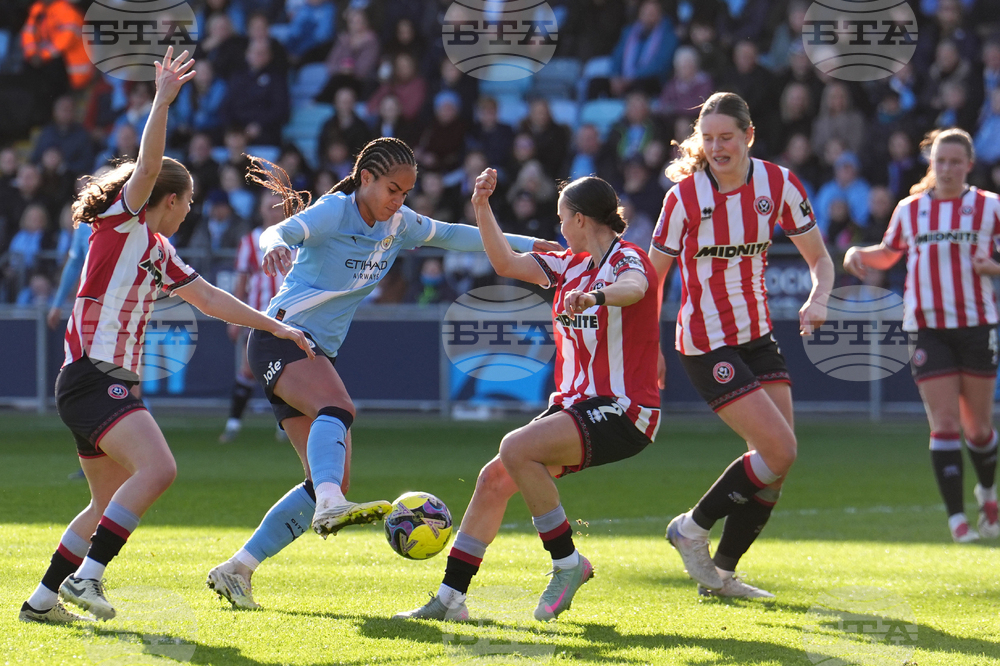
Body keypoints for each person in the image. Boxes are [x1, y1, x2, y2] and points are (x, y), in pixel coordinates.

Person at [18, 48, 313, 625]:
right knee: (160, 470)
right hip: (94, 376)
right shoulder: (124, 221)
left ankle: (42, 600)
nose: (189, 211)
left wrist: (274, 323)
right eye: (188, 202)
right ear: (169, 201)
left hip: (93, 379)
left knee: (105, 503)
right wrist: (162, 100)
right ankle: (89, 579)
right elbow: (148, 169)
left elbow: (210, 299)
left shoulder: (158, 250)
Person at [205, 137, 561, 610]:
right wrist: (271, 246)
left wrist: (532, 246)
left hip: (312, 351)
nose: (399, 200)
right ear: (366, 177)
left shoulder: (400, 224)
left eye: (407, 192)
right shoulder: (335, 211)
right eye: (393, 188)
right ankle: (330, 506)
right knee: (339, 408)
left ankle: (237, 569)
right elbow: (280, 232)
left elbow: (458, 235)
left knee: (324, 480)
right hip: (281, 336)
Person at [395, 173, 660, 622]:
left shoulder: (627, 259)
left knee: (515, 448)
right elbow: (506, 263)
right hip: (576, 405)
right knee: (494, 479)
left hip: (624, 409)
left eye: (561, 219)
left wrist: (593, 296)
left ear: (579, 219)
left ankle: (567, 565)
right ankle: (450, 600)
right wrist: (481, 205)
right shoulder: (567, 262)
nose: (558, 228)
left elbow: (635, 289)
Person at [649, 92, 833, 598]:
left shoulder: (778, 183)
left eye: (726, 137)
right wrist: (654, 347)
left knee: (776, 466)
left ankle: (722, 575)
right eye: (707, 139)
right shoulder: (684, 198)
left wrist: (819, 298)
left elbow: (820, 259)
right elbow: (653, 281)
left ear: (748, 136)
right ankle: (689, 529)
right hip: (705, 343)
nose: (716, 147)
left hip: (757, 337)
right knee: (779, 448)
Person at [844, 128, 1000, 543]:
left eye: (955, 162)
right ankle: (957, 521)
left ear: (969, 165)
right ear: (931, 165)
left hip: (976, 326)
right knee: (944, 423)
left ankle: (987, 491)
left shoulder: (989, 207)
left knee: (979, 429)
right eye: (939, 161)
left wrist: (995, 268)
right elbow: (889, 252)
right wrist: (856, 253)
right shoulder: (910, 210)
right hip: (926, 329)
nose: (946, 169)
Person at [219, 191, 292, 443]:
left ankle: (285, 427)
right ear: (260, 210)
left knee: (289, 372)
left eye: (277, 207)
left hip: (291, 318)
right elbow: (241, 283)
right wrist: (232, 320)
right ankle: (234, 423)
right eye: (269, 206)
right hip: (258, 317)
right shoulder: (249, 241)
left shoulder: (296, 240)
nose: (273, 211)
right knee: (248, 370)